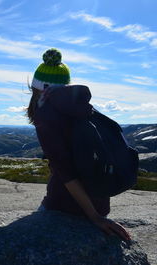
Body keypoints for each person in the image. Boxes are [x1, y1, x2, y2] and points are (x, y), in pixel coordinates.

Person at [27, 48, 131, 241]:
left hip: (65, 207)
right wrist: (98, 213)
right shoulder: (82, 108)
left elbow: (66, 173)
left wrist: (94, 218)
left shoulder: (46, 114)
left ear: (38, 86)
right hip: (100, 200)